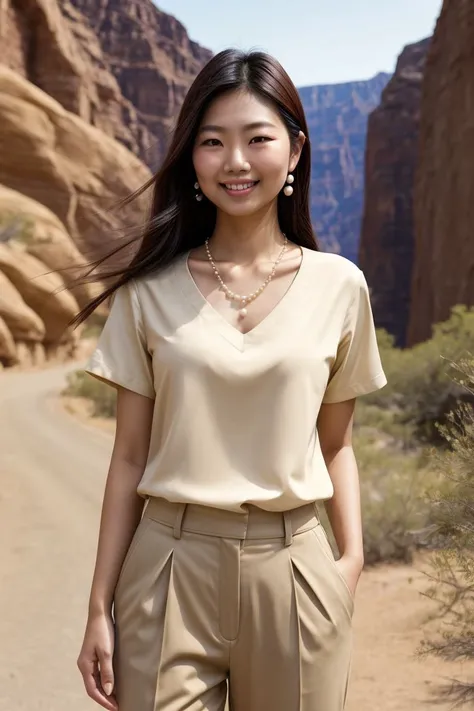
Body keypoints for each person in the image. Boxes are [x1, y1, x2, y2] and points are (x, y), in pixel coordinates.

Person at [75, 48, 387, 711]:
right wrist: (99, 603)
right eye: (212, 142)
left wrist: (350, 561)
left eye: (257, 139)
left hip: (296, 570)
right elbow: (129, 453)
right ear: (191, 156)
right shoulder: (147, 294)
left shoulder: (340, 286)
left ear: (295, 150)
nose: (236, 161)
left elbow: (337, 445)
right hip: (167, 568)